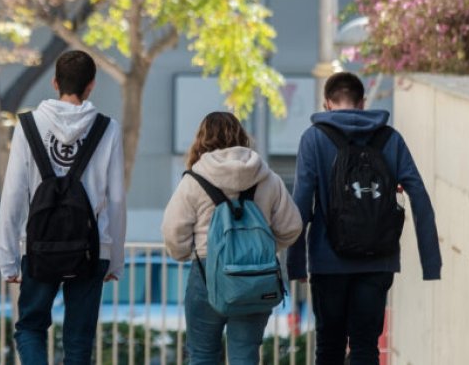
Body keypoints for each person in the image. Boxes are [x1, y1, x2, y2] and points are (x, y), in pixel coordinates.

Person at [287, 72, 441, 365]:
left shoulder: (314, 139)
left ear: (327, 103)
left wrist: (295, 264)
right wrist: (430, 260)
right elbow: (418, 193)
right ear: (362, 102)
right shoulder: (390, 138)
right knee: (365, 347)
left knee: (329, 347)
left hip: (327, 261)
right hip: (378, 260)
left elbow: (302, 204)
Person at [0, 50, 126, 365]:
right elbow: (117, 198)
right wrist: (114, 259)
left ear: (55, 82)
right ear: (91, 85)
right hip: (91, 248)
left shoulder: (28, 126)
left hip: (40, 246)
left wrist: (8, 260)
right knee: (79, 341)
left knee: (30, 327)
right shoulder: (107, 128)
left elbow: (14, 192)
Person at [161, 111, 302, 365]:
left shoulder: (194, 181)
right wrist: (263, 248)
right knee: (245, 355)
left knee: (203, 355)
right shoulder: (268, 178)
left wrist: (184, 253)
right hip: (257, 276)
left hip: (206, 273)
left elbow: (173, 232)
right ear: (241, 136)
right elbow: (292, 226)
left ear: (201, 140)